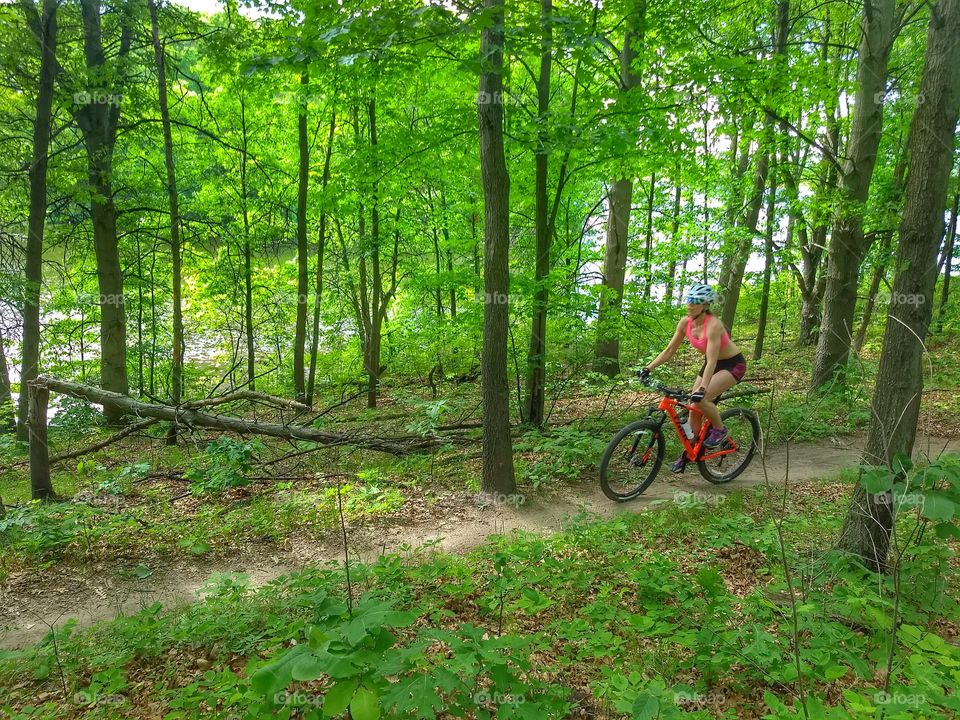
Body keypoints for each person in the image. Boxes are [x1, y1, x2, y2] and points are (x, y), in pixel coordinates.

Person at [638, 283, 747, 473]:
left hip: (732, 365)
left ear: (705, 305)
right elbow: (669, 350)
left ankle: (720, 429)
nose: (689, 304)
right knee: (693, 409)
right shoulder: (684, 323)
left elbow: (712, 360)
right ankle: (691, 451)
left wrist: (703, 389)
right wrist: (648, 368)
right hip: (712, 364)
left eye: (695, 301)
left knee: (701, 399)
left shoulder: (713, 325)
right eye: (689, 300)